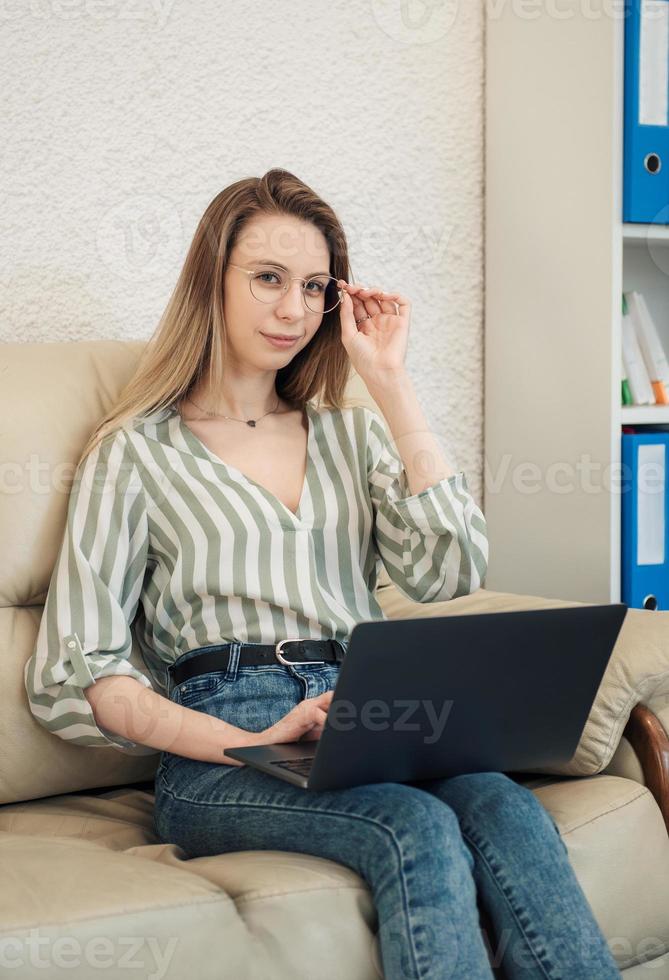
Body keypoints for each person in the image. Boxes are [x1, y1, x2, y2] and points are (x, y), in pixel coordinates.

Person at [24, 169, 621, 979]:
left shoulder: (350, 433)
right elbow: (83, 672)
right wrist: (250, 741)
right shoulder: (135, 452)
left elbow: (449, 569)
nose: (293, 309)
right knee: (411, 825)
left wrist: (390, 384)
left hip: (365, 710)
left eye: (313, 286)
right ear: (212, 280)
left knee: (506, 809)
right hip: (219, 742)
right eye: (267, 278)